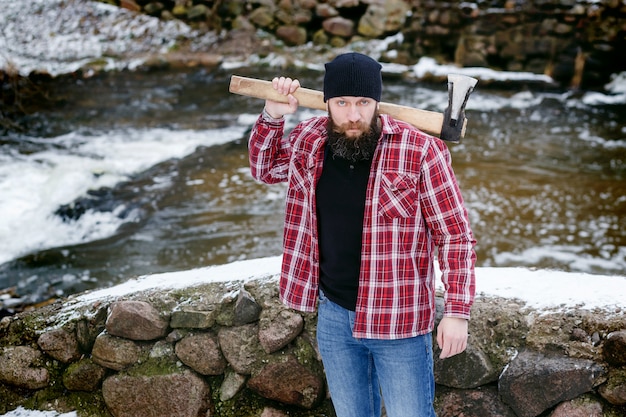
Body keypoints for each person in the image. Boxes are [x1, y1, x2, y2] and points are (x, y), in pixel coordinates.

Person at [248, 52, 476, 417]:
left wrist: (457, 312)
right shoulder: (309, 140)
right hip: (334, 317)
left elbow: (455, 236)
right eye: (341, 103)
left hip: (400, 321)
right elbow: (265, 168)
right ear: (327, 103)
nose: (353, 115)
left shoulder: (420, 150)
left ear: (377, 102)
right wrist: (273, 115)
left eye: (363, 103)